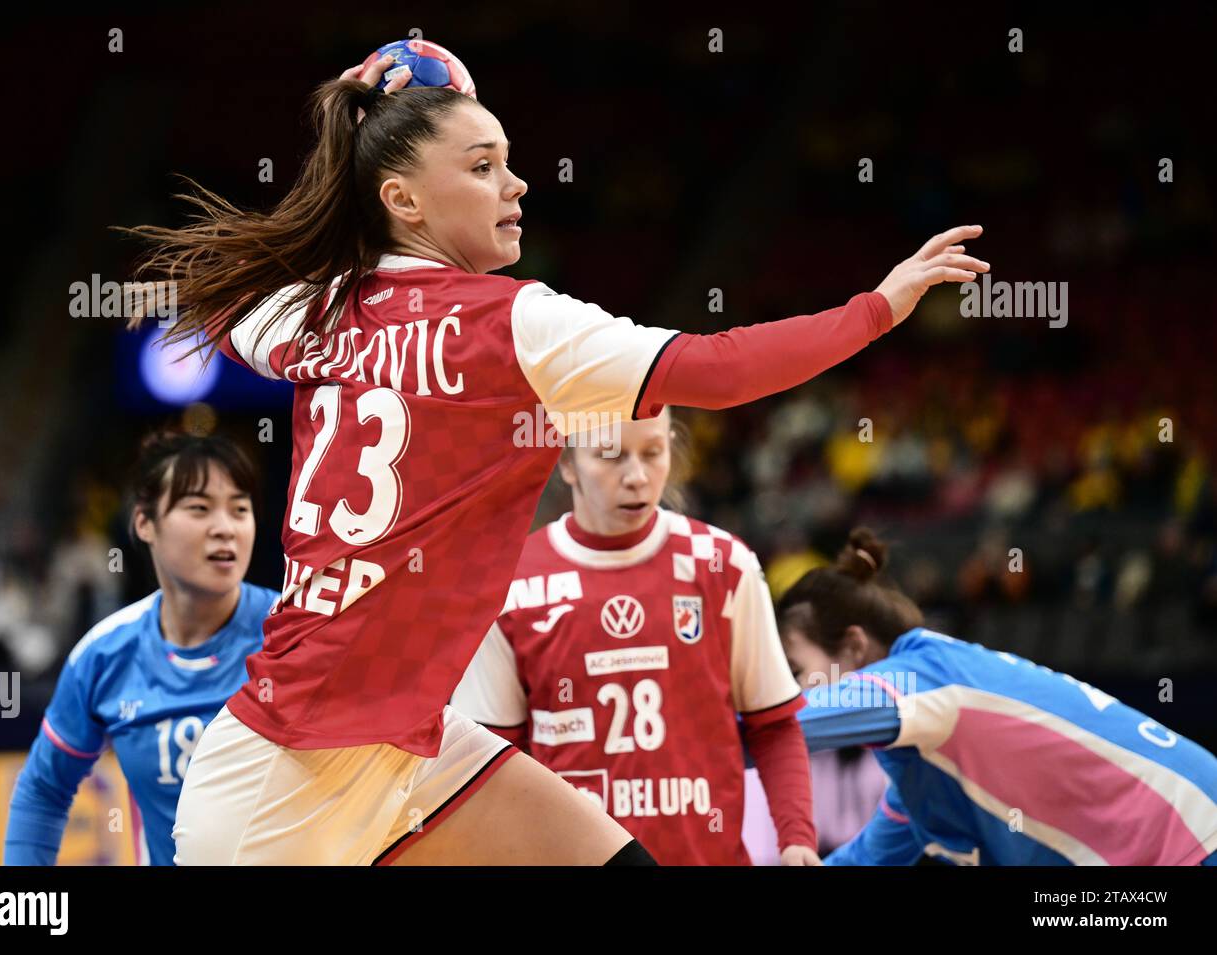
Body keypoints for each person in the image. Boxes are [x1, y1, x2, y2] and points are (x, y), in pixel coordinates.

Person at [125, 51, 990, 865]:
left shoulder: (316, 313)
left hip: (405, 738)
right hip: (287, 772)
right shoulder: (517, 324)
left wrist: (348, 136)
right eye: (483, 166)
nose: (517, 183)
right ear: (404, 199)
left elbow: (226, 316)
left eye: (509, 161)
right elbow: (719, 370)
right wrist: (878, 306)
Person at [452, 409, 819, 865]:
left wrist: (797, 838)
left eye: (653, 453)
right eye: (610, 456)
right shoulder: (512, 586)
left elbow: (775, 723)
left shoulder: (724, 564)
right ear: (567, 463)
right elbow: (496, 763)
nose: (637, 477)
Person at [779, 528, 1217, 866]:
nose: (791, 689)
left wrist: (713, 713)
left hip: (1193, 838)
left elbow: (779, 725)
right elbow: (863, 860)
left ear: (854, 646)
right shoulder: (926, 772)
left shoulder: (923, 676)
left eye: (796, 671)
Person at [3, 431, 277, 865]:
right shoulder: (103, 656)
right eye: (199, 508)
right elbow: (43, 790)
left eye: (240, 509)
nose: (225, 527)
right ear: (145, 523)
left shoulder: (296, 634)